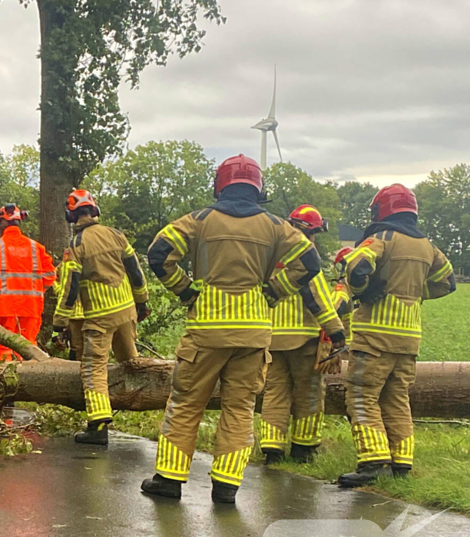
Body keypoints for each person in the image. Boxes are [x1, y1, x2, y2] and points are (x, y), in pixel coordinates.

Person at [141, 155, 345, 504]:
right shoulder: (276, 225)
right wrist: (274, 290)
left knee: (188, 402)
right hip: (253, 331)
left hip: (206, 328)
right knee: (240, 407)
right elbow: (308, 261)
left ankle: (170, 479)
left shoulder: (199, 220)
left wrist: (185, 289)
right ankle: (226, 486)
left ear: (220, 185)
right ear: (257, 187)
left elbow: (159, 253)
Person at [337, 184, 455, 487]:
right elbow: (448, 282)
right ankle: (402, 463)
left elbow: (355, 267)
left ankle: (374, 461)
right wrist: (414, 295)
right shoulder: (428, 246)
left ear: (382, 210)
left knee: (362, 396)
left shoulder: (382, 239)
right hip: (408, 338)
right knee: (397, 398)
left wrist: (365, 291)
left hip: (375, 335)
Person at [53, 189, 150, 446]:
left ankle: (97, 425)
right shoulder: (117, 235)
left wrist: (60, 322)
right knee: (131, 361)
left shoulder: (76, 246)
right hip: (126, 310)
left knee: (93, 367)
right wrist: (142, 302)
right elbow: (136, 272)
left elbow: (70, 287)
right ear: (94, 211)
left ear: (71, 215)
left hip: (99, 316)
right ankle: (147, 397)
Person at [258, 205, 335, 465]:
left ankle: (272, 448)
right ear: (307, 233)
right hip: (304, 341)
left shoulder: (269, 260)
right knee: (309, 393)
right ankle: (304, 449)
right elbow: (320, 301)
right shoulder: (305, 260)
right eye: (314, 235)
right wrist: (336, 336)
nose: (314, 241)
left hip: (271, 341)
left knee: (275, 393)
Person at [0, 204, 56, 361]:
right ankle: (28, 382)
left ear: (2, 222)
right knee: (28, 348)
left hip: (4, 307)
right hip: (31, 307)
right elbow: (50, 275)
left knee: (2, 347)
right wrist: (37, 291)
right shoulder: (36, 247)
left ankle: (5, 381)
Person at [52, 246, 84, 360]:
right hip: (77, 313)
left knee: (80, 348)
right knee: (79, 348)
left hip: (79, 313)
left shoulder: (73, 255)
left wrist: (59, 290)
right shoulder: (66, 262)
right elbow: (54, 277)